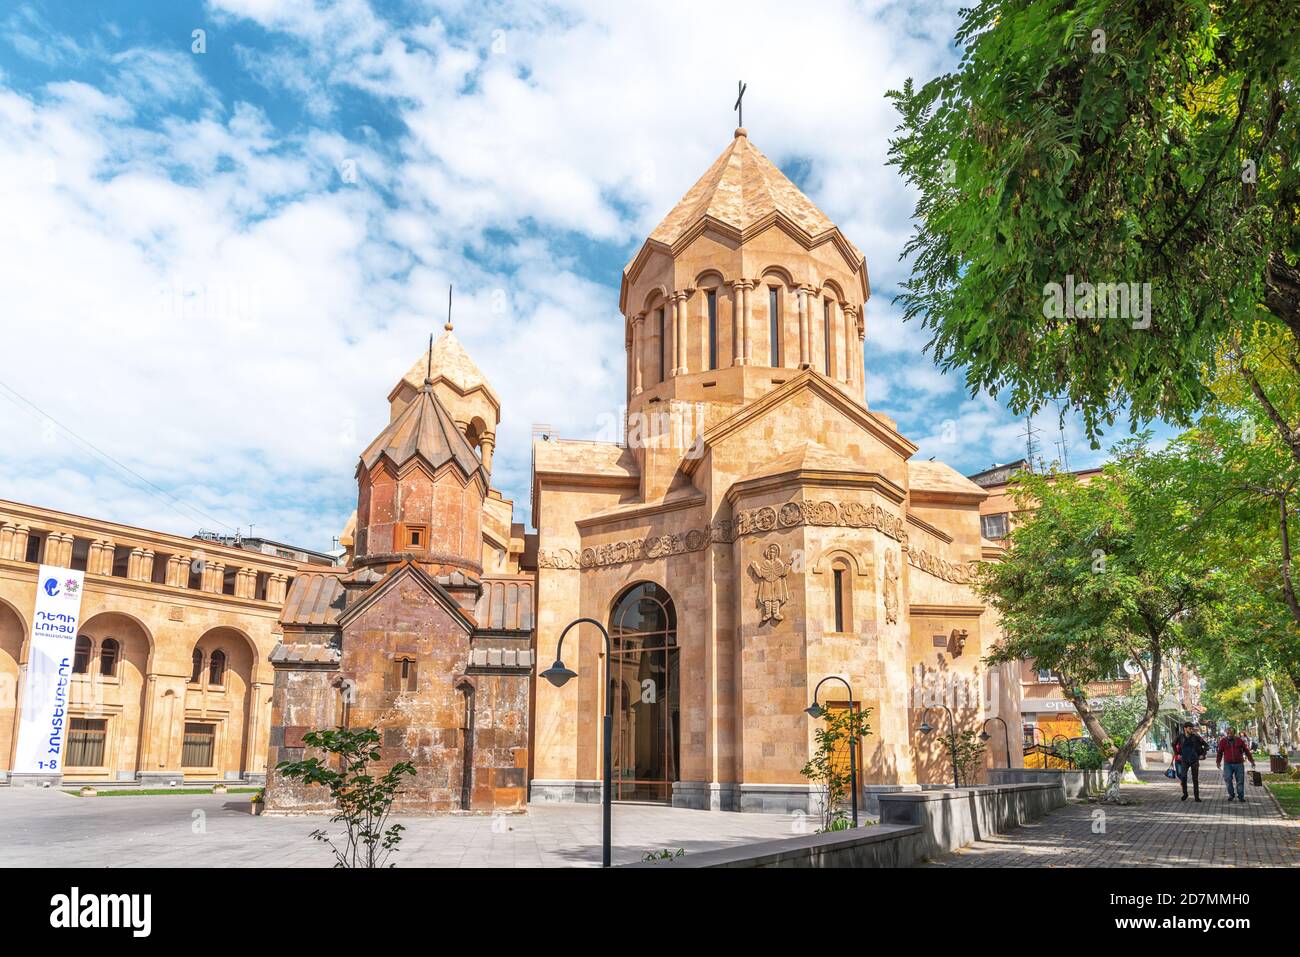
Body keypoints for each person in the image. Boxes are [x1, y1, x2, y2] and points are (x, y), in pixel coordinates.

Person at [1216, 726, 1256, 802]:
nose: (1229, 734)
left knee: (1240, 781)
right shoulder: (1223, 741)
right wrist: (1218, 762)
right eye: (1228, 733)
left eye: (1231, 733)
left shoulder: (1239, 741)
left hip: (1239, 764)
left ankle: (1241, 796)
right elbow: (1220, 752)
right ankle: (1231, 794)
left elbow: (1246, 751)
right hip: (1228, 764)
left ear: (1234, 733)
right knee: (1227, 779)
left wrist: (1252, 761)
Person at [1173, 722, 1208, 802]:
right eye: (1190, 728)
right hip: (1184, 760)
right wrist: (1177, 754)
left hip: (1194, 760)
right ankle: (1185, 794)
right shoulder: (1180, 737)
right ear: (1185, 728)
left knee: (1195, 779)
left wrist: (1203, 754)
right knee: (1183, 777)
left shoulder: (1196, 736)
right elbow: (1173, 744)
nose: (1192, 730)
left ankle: (1197, 797)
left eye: (1192, 728)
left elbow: (1206, 745)